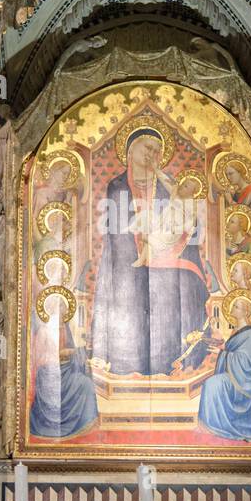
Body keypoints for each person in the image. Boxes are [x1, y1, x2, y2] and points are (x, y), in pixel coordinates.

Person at [91, 125, 209, 376]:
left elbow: (184, 217)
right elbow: (116, 231)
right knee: (129, 310)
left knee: (166, 310)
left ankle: (170, 366)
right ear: (131, 149)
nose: (151, 154)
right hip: (127, 263)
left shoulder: (168, 186)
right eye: (147, 148)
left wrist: (186, 227)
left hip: (165, 262)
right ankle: (125, 369)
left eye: (156, 150)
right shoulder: (117, 186)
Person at [198, 293, 251, 442]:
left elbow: (247, 363)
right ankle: (213, 425)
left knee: (212, 384)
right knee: (211, 384)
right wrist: (221, 348)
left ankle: (219, 425)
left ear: (245, 312)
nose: (232, 309)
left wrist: (223, 354)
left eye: (236, 307)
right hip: (236, 376)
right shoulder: (238, 332)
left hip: (246, 384)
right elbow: (234, 351)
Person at [29, 291, 98, 438]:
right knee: (84, 384)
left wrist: (77, 354)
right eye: (60, 307)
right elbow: (38, 359)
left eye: (64, 307)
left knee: (87, 383)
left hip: (66, 371)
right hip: (49, 374)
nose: (63, 310)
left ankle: (83, 423)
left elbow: (72, 351)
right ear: (53, 309)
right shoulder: (44, 331)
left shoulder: (66, 329)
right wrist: (60, 355)